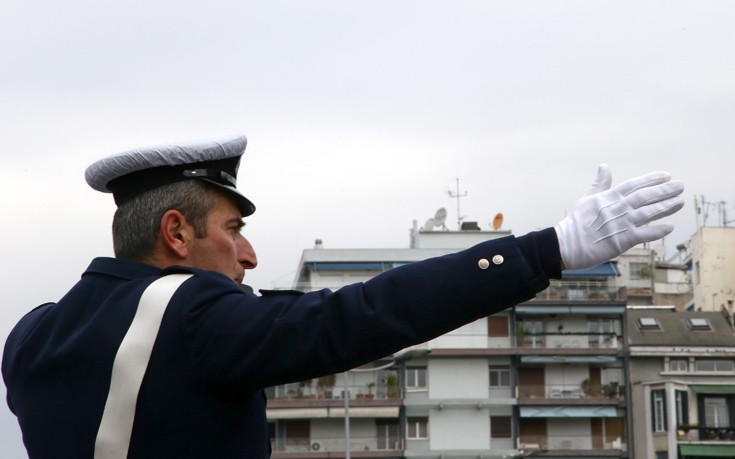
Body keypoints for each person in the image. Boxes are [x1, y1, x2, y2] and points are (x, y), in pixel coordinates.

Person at [2, 135, 684, 458]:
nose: (249, 253)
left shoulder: (31, 337)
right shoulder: (190, 317)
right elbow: (353, 314)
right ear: (176, 233)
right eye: (234, 229)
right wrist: (547, 249)